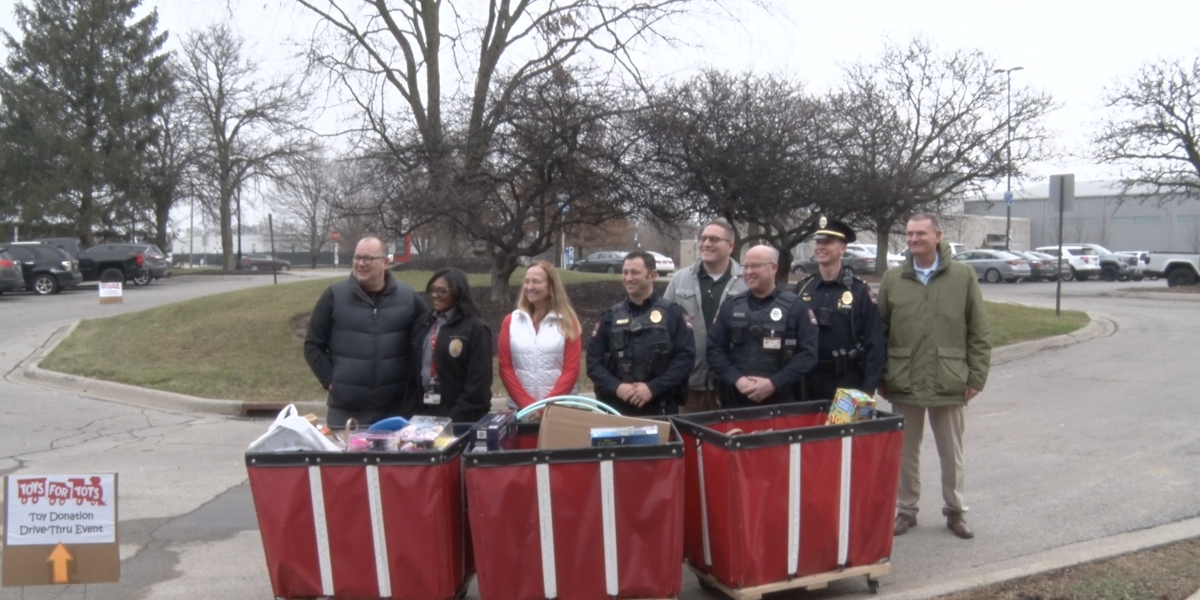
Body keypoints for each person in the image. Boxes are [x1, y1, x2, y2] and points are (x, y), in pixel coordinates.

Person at [878, 213, 991, 540]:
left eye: (921, 234)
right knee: (904, 453)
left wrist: (976, 377)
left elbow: (979, 331)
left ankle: (955, 511)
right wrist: (881, 377)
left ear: (937, 235)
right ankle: (907, 511)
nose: (914, 239)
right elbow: (881, 331)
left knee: (951, 453)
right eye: (910, 234)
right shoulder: (893, 278)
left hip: (949, 377)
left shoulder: (963, 276)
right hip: (904, 378)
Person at [304, 237, 426, 428]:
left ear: (386, 263)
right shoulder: (334, 296)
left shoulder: (407, 298)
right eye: (357, 257)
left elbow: (429, 338)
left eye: (368, 258)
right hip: (346, 412)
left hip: (395, 410)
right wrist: (331, 381)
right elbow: (313, 344)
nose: (361, 264)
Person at [707, 245, 818, 408]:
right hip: (735, 401)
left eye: (756, 266)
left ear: (774, 268)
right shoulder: (730, 306)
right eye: (746, 266)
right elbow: (713, 350)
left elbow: (808, 355)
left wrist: (773, 383)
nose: (749, 271)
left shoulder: (796, 307)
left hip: (780, 403)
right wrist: (737, 380)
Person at [586, 250, 695, 416]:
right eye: (625, 272)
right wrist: (617, 387)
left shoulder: (674, 314)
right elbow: (593, 362)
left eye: (635, 272)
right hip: (616, 409)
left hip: (661, 407)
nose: (628, 278)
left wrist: (653, 388)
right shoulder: (610, 317)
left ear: (652, 275)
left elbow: (685, 359)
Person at [792, 217, 885, 400]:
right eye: (818, 242)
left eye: (828, 242)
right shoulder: (802, 289)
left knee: (844, 429)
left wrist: (867, 389)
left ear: (843, 248)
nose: (821, 247)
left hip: (848, 382)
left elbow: (875, 343)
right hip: (807, 383)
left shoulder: (859, 291)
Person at [663, 219, 748, 413]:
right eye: (703, 238)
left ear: (730, 246)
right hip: (690, 386)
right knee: (688, 441)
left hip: (732, 386)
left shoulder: (746, 281)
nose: (706, 243)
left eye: (714, 239)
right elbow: (664, 327)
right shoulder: (680, 279)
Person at [408, 268, 494, 423]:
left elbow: (479, 382)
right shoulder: (423, 324)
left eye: (442, 291)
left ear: (457, 292)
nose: (435, 295)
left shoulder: (476, 329)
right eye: (433, 290)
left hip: (460, 417)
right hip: (423, 414)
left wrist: (455, 418)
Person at [498, 261, 583, 409]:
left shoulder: (568, 322)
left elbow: (572, 369)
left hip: (560, 409)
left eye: (536, 281)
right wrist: (527, 405)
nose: (530, 287)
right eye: (527, 281)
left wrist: (547, 406)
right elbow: (505, 367)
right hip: (521, 410)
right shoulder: (510, 322)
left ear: (551, 287)